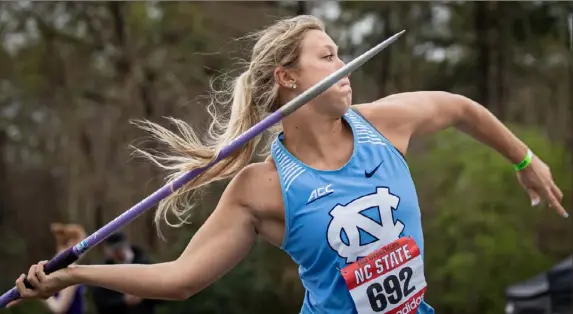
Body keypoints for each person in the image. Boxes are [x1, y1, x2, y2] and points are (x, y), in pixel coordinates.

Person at [13, 15, 568, 314]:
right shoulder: (263, 188)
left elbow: (462, 109)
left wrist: (523, 158)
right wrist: (74, 272)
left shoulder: (384, 124)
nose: (343, 65)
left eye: (341, 53)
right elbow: (179, 280)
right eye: (328, 56)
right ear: (288, 78)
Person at [91, 232, 159, 314]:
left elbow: (160, 292)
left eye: (120, 248)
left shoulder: (144, 263)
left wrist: (143, 295)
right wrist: (122, 301)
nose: (118, 253)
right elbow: (100, 301)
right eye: (114, 250)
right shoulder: (104, 270)